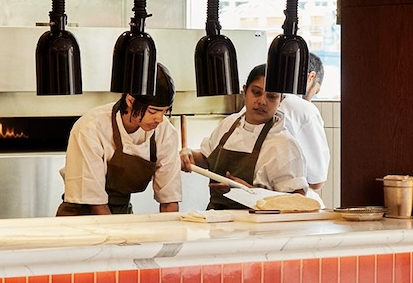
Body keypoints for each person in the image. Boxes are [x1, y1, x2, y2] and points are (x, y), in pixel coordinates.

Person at [180, 64, 308, 209]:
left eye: (271, 96)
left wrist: (247, 192)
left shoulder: (284, 145)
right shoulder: (229, 124)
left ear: (281, 100)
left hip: (260, 226)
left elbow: (297, 202)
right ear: (245, 91)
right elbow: (206, 158)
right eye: (256, 92)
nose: (262, 101)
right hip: (217, 222)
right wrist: (188, 154)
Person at [58, 64, 181, 215]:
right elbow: (95, 202)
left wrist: (170, 235)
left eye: (164, 111)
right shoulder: (91, 127)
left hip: (121, 213)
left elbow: (169, 201)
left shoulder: (165, 132)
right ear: (130, 100)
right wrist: (116, 235)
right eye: (153, 111)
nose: (159, 119)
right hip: (82, 215)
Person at [275, 53, 331, 192]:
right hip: (286, 202)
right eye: (314, 91)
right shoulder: (305, 110)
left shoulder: (252, 106)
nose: (310, 99)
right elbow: (317, 181)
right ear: (310, 77)